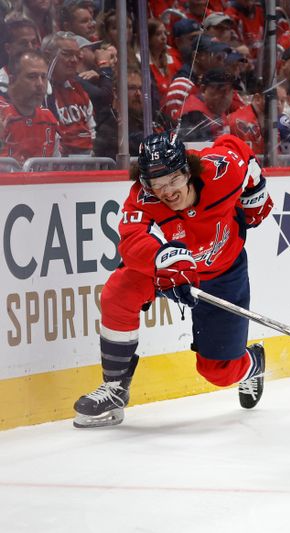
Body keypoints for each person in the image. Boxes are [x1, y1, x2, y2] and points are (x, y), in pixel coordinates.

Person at [73, 132, 274, 429]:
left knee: (219, 372)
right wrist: (162, 258)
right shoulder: (143, 196)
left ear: (187, 171)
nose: (166, 191)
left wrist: (255, 190)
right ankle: (115, 389)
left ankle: (252, 363)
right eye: (157, 184)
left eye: (173, 180)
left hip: (223, 275)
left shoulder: (221, 172)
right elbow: (131, 240)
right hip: (169, 272)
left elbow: (237, 147)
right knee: (119, 291)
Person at [0, 50, 60, 163]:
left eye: (43, 77)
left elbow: (56, 167)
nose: (40, 84)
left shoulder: (48, 119)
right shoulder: (1, 114)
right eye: (32, 77)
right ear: (12, 80)